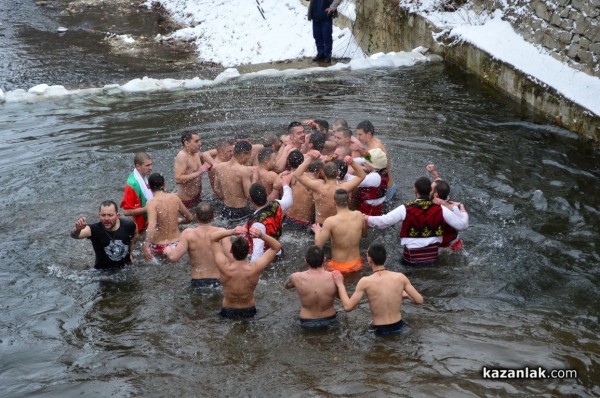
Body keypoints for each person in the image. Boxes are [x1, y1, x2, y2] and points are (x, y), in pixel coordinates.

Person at [365, 176, 469, 265]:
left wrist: (365, 217)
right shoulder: (441, 209)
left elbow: (383, 221)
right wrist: (463, 212)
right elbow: (463, 225)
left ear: (415, 190)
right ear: (429, 191)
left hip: (411, 260)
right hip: (432, 260)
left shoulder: (405, 208)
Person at [332, 242, 423, 335]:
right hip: (399, 326)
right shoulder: (400, 277)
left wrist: (340, 284)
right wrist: (406, 295)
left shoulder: (365, 282)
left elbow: (348, 307)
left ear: (369, 259)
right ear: (385, 257)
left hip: (380, 330)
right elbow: (419, 300)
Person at [210, 226, 282, 319]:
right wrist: (261, 235)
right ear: (248, 251)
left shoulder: (224, 266)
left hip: (228, 309)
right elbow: (276, 247)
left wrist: (233, 231)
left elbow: (213, 238)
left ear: (231, 251)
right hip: (249, 309)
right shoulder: (255, 268)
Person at [164, 202, 232, 288]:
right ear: (213, 216)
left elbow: (174, 257)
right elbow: (231, 257)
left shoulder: (188, 234)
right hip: (217, 282)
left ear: (196, 216)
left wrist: (167, 250)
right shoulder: (222, 232)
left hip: (197, 282)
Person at [293, 150, 365, 225]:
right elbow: (362, 176)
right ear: (338, 173)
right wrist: (352, 162)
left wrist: (311, 158)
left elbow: (297, 174)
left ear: (323, 173)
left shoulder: (318, 186)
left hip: (320, 226)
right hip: (336, 226)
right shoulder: (343, 188)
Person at [70, 200, 137, 269]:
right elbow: (74, 235)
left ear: (117, 216)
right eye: (103, 215)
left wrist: (130, 253)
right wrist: (77, 229)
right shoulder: (94, 229)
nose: (106, 219)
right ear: (99, 215)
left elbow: (135, 232)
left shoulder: (128, 225)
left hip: (126, 269)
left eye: (110, 215)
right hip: (102, 272)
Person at [284, 245, 339, 329]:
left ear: (306, 261)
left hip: (306, 322)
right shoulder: (335, 277)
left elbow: (286, 286)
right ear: (324, 260)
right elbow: (340, 296)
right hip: (330, 319)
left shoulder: (296, 277)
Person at [313, 189, 366, 274]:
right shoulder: (359, 215)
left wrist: (317, 231)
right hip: (357, 264)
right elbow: (364, 234)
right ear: (349, 199)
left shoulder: (330, 221)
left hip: (338, 267)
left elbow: (318, 245)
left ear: (334, 202)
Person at [143, 173, 193, 260]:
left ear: (148, 186)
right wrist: (179, 221)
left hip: (159, 246)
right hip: (178, 244)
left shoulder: (151, 203)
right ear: (164, 184)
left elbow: (152, 225)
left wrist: (146, 245)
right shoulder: (175, 198)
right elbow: (190, 218)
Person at [246, 173, 293, 262]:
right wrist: (285, 185)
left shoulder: (257, 223)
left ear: (251, 200)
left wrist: (250, 270)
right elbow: (289, 201)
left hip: (267, 259)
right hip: (278, 252)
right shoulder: (276, 204)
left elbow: (258, 252)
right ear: (266, 194)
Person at [427, 163, 468, 251]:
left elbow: (463, 224)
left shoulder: (447, 210)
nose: (428, 189)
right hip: (454, 242)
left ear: (435, 195)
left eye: (430, 188)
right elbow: (440, 182)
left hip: (448, 247)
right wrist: (434, 172)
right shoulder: (447, 198)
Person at [213, 140, 254, 222]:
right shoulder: (243, 171)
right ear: (242, 154)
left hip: (226, 209)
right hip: (241, 211)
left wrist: (227, 198)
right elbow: (249, 195)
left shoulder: (219, 167)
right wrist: (255, 178)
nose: (249, 158)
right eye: (249, 155)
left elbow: (216, 189)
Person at [355, 120, 396, 201]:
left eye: (360, 134)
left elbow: (376, 170)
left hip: (386, 190)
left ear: (369, 134)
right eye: (357, 134)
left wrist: (354, 166)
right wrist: (361, 150)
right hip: (386, 186)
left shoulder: (376, 148)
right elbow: (370, 159)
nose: (357, 137)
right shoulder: (374, 141)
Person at [174, 131, 212, 209]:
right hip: (186, 201)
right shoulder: (182, 156)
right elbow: (178, 179)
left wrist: (210, 165)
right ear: (187, 143)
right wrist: (199, 172)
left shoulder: (196, 153)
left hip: (198, 197)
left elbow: (207, 154)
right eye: (196, 141)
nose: (200, 143)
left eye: (199, 140)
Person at [121, 152, 153, 234]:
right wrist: (148, 208)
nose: (151, 168)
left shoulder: (144, 177)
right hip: (138, 229)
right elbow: (126, 212)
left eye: (151, 164)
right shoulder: (132, 184)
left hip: (146, 224)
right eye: (147, 165)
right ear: (138, 166)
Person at [351, 148, 389, 216]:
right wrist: (350, 160)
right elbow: (362, 160)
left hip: (370, 209)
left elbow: (358, 181)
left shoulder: (375, 177)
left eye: (366, 163)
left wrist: (345, 175)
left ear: (373, 166)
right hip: (375, 205)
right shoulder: (380, 169)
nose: (364, 163)